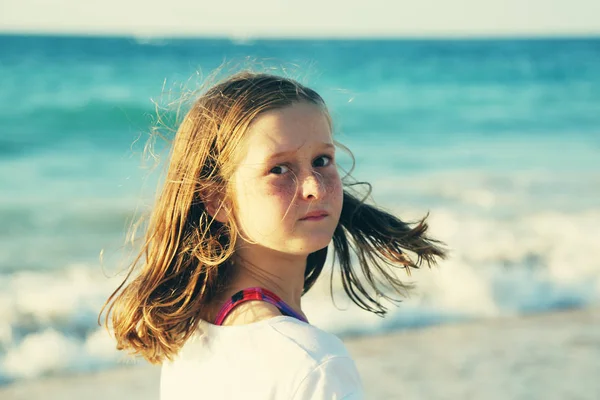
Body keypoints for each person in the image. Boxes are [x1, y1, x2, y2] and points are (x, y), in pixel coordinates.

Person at [100, 71, 446, 399]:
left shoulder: (188, 337)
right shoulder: (312, 363)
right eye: (278, 169)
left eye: (322, 160)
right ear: (216, 198)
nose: (314, 187)